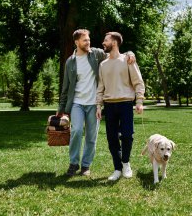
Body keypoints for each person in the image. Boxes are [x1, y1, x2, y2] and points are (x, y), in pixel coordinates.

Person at [57, 29, 135, 177]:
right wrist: (61, 108)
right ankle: (74, 163)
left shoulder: (96, 54)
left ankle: (85, 166)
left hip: (94, 103)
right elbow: (65, 86)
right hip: (77, 103)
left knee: (91, 136)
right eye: (85, 40)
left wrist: (130, 53)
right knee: (77, 130)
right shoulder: (70, 62)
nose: (88, 42)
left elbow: (116, 53)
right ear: (77, 42)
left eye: (89, 39)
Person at [96, 31, 145, 181]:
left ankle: (126, 163)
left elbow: (138, 82)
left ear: (114, 43)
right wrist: (98, 105)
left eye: (106, 40)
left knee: (127, 135)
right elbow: (100, 87)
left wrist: (139, 101)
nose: (103, 43)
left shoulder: (128, 60)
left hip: (125, 104)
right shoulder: (103, 64)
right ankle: (117, 169)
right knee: (111, 138)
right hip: (109, 106)